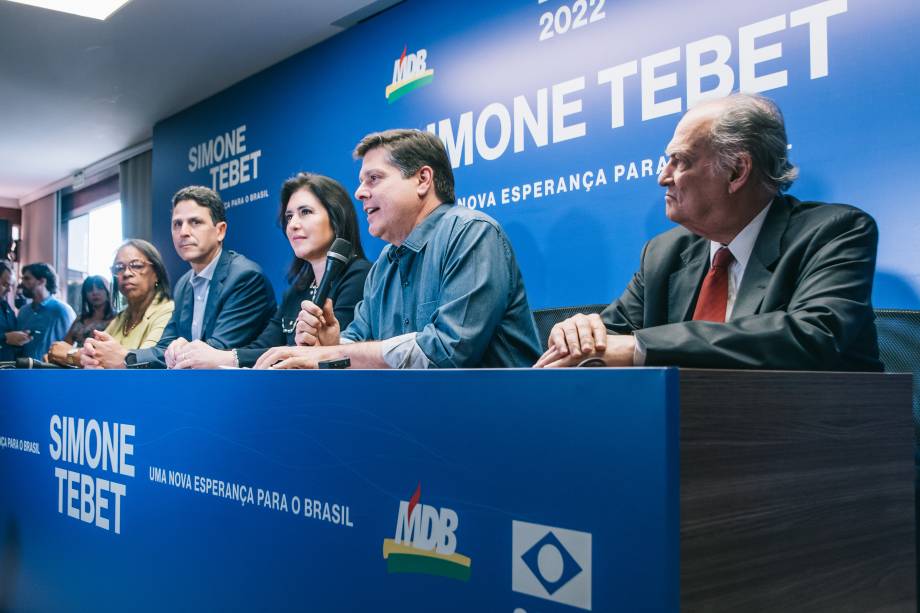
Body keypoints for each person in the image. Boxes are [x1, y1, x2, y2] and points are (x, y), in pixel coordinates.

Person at [535, 92, 882, 371]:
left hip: (815, 442)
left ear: (736, 171)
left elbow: (811, 336)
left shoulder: (835, 232)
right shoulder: (664, 254)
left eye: (680, 160)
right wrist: (578, 332)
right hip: (691, 438)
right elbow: (611, 335)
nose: (663, 177)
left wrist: (641, 347)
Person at [255, 129, 541, 370]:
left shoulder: (471, 233)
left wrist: (334, 354)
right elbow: (358, 339)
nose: (359, 192)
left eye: (374, 179)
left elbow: (446, 352)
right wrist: (334, 343)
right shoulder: (384, 264)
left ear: (422, 179)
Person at [168, 173, 371, 369]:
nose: (292, 225)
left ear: (336, 218)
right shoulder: (298, 290)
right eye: (289, 216)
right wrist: (213, 356)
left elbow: (332, 355)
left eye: (305, 212)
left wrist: (220, 357)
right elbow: (266, 346)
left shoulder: (358, 276)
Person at [121, 186, 275, 369]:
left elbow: (215, 351)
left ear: (220, 231)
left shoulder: (246, 277)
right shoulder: (184, 283)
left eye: (195, 222)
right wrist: (126, 356)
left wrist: (125, 358)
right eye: (177, 224)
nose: (183, 232)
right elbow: (165, 347)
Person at [47, 240, 175, 368]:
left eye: (136, 265)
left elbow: (143, 364)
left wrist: (72, 354)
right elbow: (94, 355)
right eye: (119, 268)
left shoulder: (167, 311)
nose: (126, 273)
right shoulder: (121, 317)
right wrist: (85, 356)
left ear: (156, 273)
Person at [7, 262, 75, 360]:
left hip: (50, 372)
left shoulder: (63, 311)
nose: (21, 283)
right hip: (22, 371)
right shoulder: (23, 311)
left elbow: (70, 348)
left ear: (42, 281)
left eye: (27, 278)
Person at [62, 276, 114, 346]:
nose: (95, 292)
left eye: (100, 288)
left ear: (108, 292)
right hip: (77, 356)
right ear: (85, 295)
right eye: (90, 290)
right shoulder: (80, 319)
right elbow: (65, 346)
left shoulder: (116, 319)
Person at [0, 262, 17, 361]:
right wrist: (5, 338)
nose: (9, 290)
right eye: (5, 284)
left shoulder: (6, 307)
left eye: (11, 285)